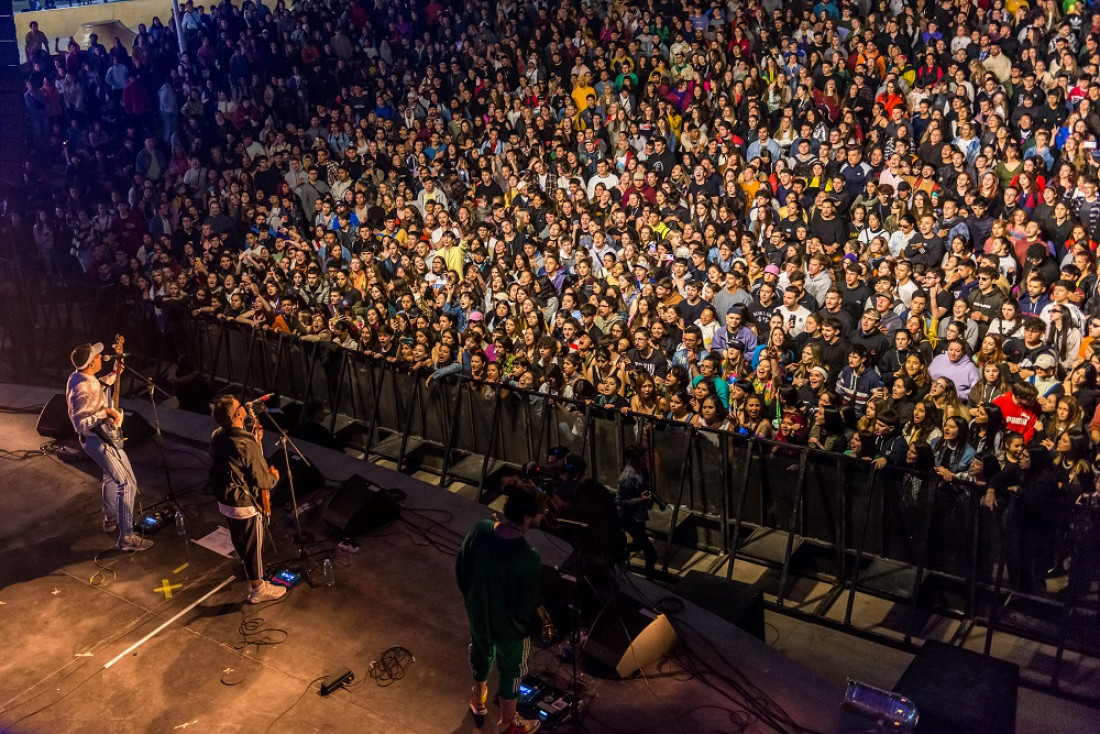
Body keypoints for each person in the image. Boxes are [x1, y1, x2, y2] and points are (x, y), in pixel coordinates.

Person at [455, 478, 548, 734]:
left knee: (481, 653)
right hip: (510, 628)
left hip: (479, 616)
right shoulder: (528, 556)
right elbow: (526, 604)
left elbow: (461, 570)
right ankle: (508, 725)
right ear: (527, 519)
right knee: (511, 670)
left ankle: (478, 701)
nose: (543, 516)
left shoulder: (479, 530)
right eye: (541, 513)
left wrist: (475, 602)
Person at [66, 341, 151, 552]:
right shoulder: (83, 388)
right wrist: (106, 414)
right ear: (89, 364)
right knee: (127, 483)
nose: (99, 357)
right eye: (96, 356)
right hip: (99, 440)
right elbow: (80, 424)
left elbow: (99, 386)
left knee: (110, 477)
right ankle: (127, 537)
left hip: (100, 438)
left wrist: (114, 374)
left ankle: (111, 519)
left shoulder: (81, 377)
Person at [210, 394, 284, 604]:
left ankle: (248, 569)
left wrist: (252, 438)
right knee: (253, 544)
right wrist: (274, 478)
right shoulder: (245, 443)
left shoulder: (217, 435)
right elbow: (262, 479)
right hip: (243, 502)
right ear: (237, 415)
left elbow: (234, 458)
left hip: (224, 498)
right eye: (240, 406)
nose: (243, 406)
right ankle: (258, 586)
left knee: (239, 538)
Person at [616, 445, 658, 580]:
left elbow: (645, 486)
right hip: (629, 519)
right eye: (641, 458)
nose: (645, 460)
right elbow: (620, 502)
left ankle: (621, 553)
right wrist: (640, 499)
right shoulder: (627, 478)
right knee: (651, 553)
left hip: (639, 516)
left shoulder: (643, 470)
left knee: (639, 544)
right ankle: (650, 580)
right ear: (632, 460)